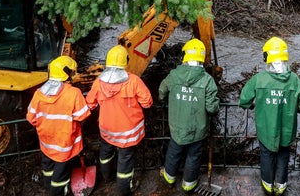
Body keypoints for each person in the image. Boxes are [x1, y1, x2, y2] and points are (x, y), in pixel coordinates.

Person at [239, 37, 300, 195]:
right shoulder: (294, 80)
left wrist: (252, 104)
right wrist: (294, 108)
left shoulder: (259, 79)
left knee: (266, 155)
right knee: (284, 155)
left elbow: (243, 100)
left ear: (267, 57)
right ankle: (281, 185)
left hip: (266, 130)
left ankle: (267, 184)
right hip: (287, 129)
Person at [85, 45, 153, 195]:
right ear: (126, 61)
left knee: (105, 155)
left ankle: (107, 177)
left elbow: (89, 104)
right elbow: (147, 102)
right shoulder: (134, 81)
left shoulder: (98, 82)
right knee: (125, 161)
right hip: (128, 133)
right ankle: (124, 189)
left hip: (107, 131)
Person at [158, 39, 220, 193]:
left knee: (174, 151)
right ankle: (189, 184)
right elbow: (212, 108)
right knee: (193, 156)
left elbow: (161, 93)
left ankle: (169, 178)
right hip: (198, 129)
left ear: (185, 55)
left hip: (177, 127)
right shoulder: (207, 80)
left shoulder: (174, 75)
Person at [26, 56, 91, 196]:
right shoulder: (74, 93)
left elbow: (31, 118)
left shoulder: (39, 93)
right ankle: (57, 192)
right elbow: (83, 116)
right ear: (67, 73)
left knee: (48, 167)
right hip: (64, 144)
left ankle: (48, 185)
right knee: (60, 175)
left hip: (46, 142)